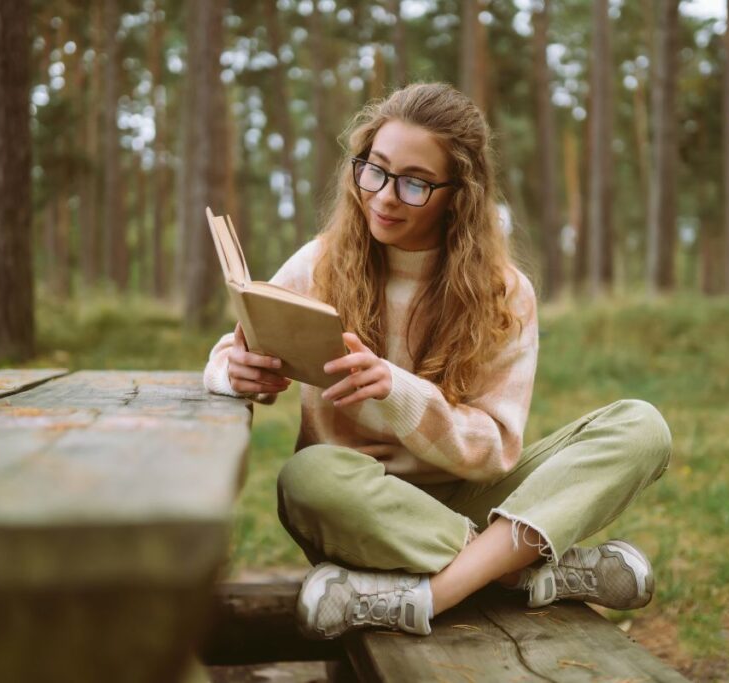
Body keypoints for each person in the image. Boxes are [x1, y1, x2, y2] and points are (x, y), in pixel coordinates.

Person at [203, 82, 671, 640]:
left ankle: (433, 594)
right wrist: (233, 371)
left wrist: (397, 392)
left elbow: (496, 450)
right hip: (369, 507)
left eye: (414, 183)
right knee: (306, 477)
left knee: (642, 427)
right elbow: (233, 347)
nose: (384, 196)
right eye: (374, 169)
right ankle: (518, 570)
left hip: (478, 499)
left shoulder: (503, 293)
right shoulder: (322, 263)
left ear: (459, 195)